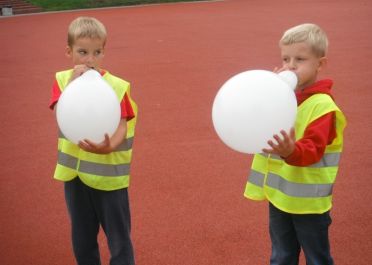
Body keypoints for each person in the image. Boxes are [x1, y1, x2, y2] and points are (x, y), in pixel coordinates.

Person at [244, 23, 346, 265]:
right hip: (280, 198)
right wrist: (269, 93)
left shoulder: (322, 106)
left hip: (310, 205)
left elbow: (313, 150)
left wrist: (291, 151)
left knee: (317, 257)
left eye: (299, 59)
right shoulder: (283, 98)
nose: (290, 66)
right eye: (285, 58)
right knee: (281, 255)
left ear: (320, 64)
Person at [49, 16, 137, 265]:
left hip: (110, 180)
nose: (90, 59)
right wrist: (73, 87)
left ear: (103, 52)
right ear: (69, 52)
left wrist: (110, 146)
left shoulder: (116, 86)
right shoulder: (62, 81)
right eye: (83, 52)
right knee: (82, 237)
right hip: (75, 178)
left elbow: (122, 124)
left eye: (97, 52)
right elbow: (60, 114)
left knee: (119, 239)